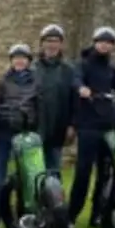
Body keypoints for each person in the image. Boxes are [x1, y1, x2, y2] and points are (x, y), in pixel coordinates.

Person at [68, 26, 115, 228]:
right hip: (88, 127)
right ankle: (71, 216)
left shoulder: (111, 69)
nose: (105, 45)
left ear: (112, 46)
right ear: (95, 43)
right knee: (83, 173)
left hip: (108, 127)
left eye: (109, 42)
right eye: (101, 41)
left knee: (106, 173)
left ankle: (98, 214)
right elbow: (75, 80)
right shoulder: (83, 64)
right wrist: (82, 89)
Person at [0, 43, 40, 228]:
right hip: (4, 134)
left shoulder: (36, 82)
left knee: (26, 176)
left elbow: (39, 108)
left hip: (25, 133)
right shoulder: (2, 82)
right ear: (11, 60)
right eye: (16, 57)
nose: (19, 61)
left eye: (23, 58)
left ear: (29, 61)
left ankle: (23, 216)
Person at [33, 23, 79, 173]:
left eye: (55, 41)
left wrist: (72, 125)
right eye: (48, 41)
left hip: (58, 127)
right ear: (42, 44)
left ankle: (54, 196)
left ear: (61, 44)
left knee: (53, 170)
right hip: (36, 127)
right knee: (35, 170)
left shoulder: (69, 70)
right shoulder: (33, 69)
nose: (52, 45)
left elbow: (74, 100)